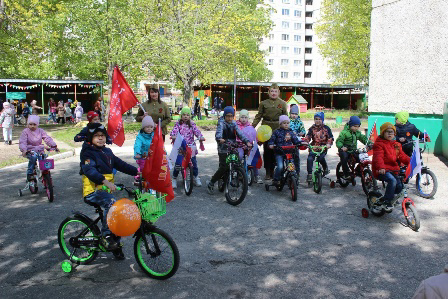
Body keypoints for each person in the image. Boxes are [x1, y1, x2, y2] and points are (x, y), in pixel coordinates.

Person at [80, 123, 138, 259]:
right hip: (92, 191)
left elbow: (120, 164)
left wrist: (137, 172)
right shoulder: (87, 153)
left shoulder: (107, 152)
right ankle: (106, 236)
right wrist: (104, 181)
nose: (100, 138)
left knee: (119, 215)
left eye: (102, 136)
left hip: (105, 190)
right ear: (90, 138)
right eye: (96, 136)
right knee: (111, 203)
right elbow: (89, 170)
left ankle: (115, 245)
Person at [207, 106, 252, 194]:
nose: (230, 118)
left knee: (238, 163)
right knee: (224, 166)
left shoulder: (234, 123)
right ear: (224, 116)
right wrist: (219, 138)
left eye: (231, 116)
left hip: (233, 145)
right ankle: (211, 183)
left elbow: (240, 133)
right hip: (223, 146)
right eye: (228, 116)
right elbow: (219, 132)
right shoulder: (221, 122)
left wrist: (247, 141)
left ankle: (242, 183)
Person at [252, 83, 288, 181]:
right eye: (271, 91)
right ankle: (268, 171)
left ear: (278, 93)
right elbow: (258, 116)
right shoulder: (263, 103)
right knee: (267, 150)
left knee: (276, 150)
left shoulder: (283, 103)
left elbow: (285, 118)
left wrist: (287, 130)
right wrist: (251, 127)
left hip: (278, 129)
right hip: (265, 129)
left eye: (275, 91)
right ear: (268, 92)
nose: (273, 93)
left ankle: (275, 170)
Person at [372, 122, 410, 211]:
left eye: (392, 132)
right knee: (392, 181)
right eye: (387, 132)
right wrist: (381, 167)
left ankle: (391, 196)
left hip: (393, 169)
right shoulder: (379, 144)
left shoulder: (396, 145)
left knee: (399, 185)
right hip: (382, 169)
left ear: (394, 134)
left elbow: (402, 156)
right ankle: (387, 201)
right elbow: (378, 157)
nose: (390, 134)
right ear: (383, 133)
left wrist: (411, 162)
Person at [170, 107, 205, 188]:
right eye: (184, 115)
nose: (185, 117)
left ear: (190, 116)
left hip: (190, 146)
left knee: (194, 163)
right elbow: (174, 131)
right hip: (181, 147)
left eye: (187, 115)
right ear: (181, 116)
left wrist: (200, 137)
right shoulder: (178, 124)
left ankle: (195, 177)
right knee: (178, 163)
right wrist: (173, 136)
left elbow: (197, 131)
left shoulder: (192, 124)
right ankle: (174, 178)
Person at [19, 115, 58, 181]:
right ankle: (30, 173)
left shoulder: (40, 131)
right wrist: (24, 150)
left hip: (39, 149)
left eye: (34, 124)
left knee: (43, 158)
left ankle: (45, 176)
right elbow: (23, 141)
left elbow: (47, 138)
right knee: (33, 158)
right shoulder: (25, 131)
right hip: (30, 149)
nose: (32, 126)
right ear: (28, 124)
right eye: (30, 124)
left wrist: (53, 145)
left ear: (37, 124)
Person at [268, 115, 302, 186]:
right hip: (279, 152)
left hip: (289, 152)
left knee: (291, 167)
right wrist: (271, 144)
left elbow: (295, 140)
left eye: (287, 123)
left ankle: (292, 179)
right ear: (280, 124)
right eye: (284, 123)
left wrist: (300, 143)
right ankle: (276, 179)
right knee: (280, 167)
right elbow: (272, 140)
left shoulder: (290, 132)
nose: (286, 124)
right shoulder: (276, 132)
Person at [304, 112, 334, 183]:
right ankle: (310, 174)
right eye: (316, 119)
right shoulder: (312, 128)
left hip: (323, 147)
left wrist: (328, 144)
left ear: (322, 120)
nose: (317, 121)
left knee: (321, 158)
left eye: (319, 119)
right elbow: (308, 136)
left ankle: (325, 168)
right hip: (314, 146)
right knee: (309, 159)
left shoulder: (326, 128)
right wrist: (306, 142)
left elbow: (330, 137)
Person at [236, 109, 263, 184]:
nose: (244, 119)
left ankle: (256, 175)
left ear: (248, 118)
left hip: (249, 146)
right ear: (239, 118)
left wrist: (258, 141)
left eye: (245, 117)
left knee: (254, 157)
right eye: (242, 117)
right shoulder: (236, 126)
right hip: (240, 145)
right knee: (240, 155)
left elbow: (253, 134)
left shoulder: (250, 126)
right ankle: (237, 170)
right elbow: (235, 135)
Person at [289, 105, 306, 179]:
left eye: (296, 114)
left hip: (296, 142)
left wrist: (302, 133)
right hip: (288, 142)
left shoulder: (300, 122)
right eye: (292, 114)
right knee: (290, 158)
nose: (294, 116)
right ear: (290, 113)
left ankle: (297, 173)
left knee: (296, 157)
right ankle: (290, 173)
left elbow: (303, 130)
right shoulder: (288, 121)